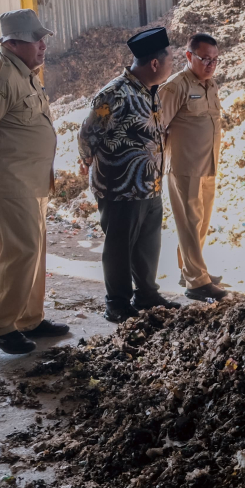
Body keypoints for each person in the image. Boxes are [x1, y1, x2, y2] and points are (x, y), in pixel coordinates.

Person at [0, 9, 70, 355]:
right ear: (13, 43)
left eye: (43, 39)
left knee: (33, 251)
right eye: (36, 40)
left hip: (29, 179)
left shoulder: (25, 72)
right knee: (19, 253)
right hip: (6, 181)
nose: (43, 45)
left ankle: (30, 319)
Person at [79, 27, 180, 323]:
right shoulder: (114, 93)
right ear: (154, 64)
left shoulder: (151, 92)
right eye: (170, 59)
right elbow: (87, 134)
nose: (172, 64)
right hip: (119, 187)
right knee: (120, 246)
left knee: (148, 244)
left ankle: (147, 293)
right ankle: (117, 302)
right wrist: (87, 160)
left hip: (150, 185)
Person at [158, 32, 227, 301]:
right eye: (204, 59)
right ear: (188, 56)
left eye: (215, 60)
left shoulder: (210, 85)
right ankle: (197, 283)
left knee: (201, 223)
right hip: (184, 168)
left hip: (208, 165)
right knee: (190, 222)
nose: (210, 65)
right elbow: (157, 128)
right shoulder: (175, 87)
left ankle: (190, 269)